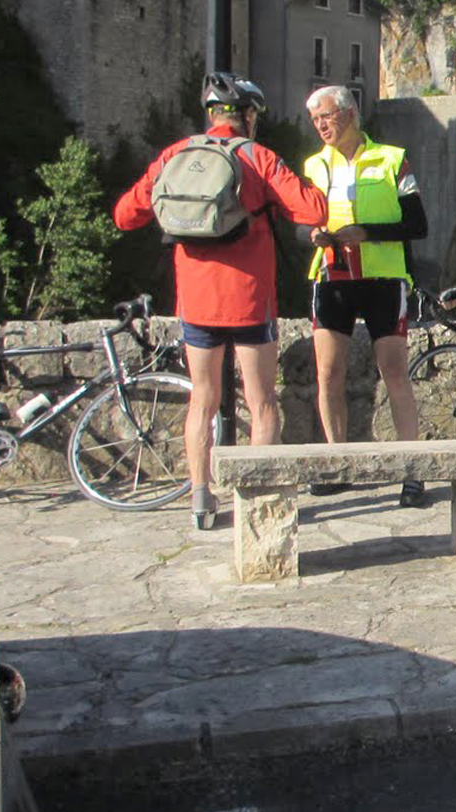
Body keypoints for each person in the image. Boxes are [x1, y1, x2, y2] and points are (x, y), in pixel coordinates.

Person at [114, 72, 328, 530]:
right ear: (248, 115)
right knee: (262, 401)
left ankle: (200, 498)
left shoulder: (174, 155)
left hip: (196, 301)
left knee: (203, 400)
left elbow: (125, 215)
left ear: (210, 114)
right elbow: (314, 209)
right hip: (249, 299)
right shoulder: (257, 157)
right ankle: (258, 501)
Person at [300, 85, 430, 507]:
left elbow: (418, 224)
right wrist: (313, 234)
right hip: (332, 276)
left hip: (383, 278)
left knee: (394, 372)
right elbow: (301, 222)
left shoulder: (392, 159)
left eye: (327, 116)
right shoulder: (314, 165)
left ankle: (411, 472)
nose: (321, 125)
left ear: (350, 113)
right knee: (328, 374)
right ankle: (338, 465)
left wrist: (367, 233)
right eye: (315, 119)